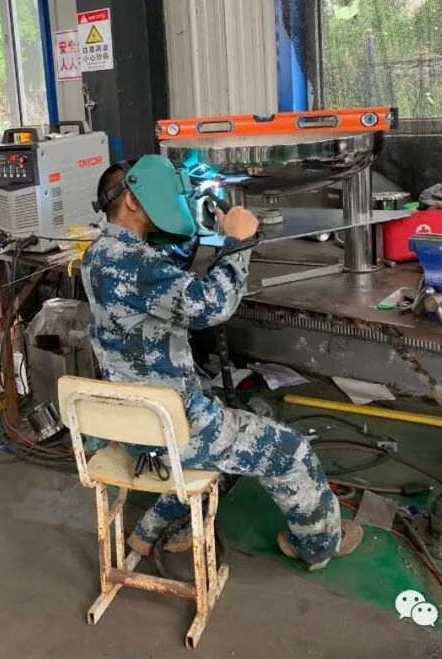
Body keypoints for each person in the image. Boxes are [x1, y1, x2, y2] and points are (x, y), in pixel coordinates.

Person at [81, 155, 361, 569]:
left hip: (132, 417)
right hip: (172, 427)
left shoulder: (101, 254)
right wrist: (238, 244)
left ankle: (150, 531)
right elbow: (212, 305)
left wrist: (196, 223)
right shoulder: (135, 265)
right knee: (290, 449)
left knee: (239, 431)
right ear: (134, 201)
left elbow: (164, 276)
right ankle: (318, 546)